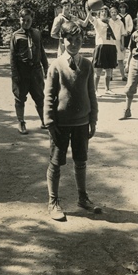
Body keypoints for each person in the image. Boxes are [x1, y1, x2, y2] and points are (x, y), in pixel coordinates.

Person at [43, 21, 101, 220]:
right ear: (63, 40)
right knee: (56, 163)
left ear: (83, 41)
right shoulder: (56, 66)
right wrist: (49, 121)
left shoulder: (86, 64)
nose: (74, 44)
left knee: (81, 161)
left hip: (81, 123)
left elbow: (91, 93)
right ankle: (53, 201)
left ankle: (82, 198)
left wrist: (93, 118)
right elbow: (49, 95)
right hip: (60, 124)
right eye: (70, 40)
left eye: (78, 40)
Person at [10, 8, 49, 134]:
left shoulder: (37, 33)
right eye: (23, 20)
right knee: (20, 97)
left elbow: (41, 51)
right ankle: (21, 122)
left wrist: (46, 67)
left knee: (39, 96)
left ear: (32, 20)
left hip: (36, 71)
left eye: (28, 20)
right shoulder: (16, 36)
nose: (26, 22)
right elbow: (12, 56)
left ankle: (44, 120)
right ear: (19, 20)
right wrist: (15, 74)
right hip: (22, 71)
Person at [78, 4, 118, 95]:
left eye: (105, 11)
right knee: (98, 70)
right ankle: (95, 90)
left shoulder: (111, 21)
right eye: (102, 11)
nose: (104, 13)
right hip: (101, 46)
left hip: (111, 46)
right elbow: (91, 19)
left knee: (109, 70)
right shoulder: (97, 21)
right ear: (99, 13)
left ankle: (107, 89)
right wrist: (88, 11)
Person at [108, 6, 127, 81]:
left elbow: (122, 34)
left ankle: (123, 76)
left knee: (120, 60)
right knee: (111, 60)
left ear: (117, 13)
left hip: (118, 42)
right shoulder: (108, 22)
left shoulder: (120, 22)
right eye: (112, 12)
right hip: (110, 42)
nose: (113, 14)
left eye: (115, 12)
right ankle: (110, 76)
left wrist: (122, 44)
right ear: (110, 13)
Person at [119, 3, 134, 74]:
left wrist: (128, 31)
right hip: (120, 35)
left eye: (124, 8)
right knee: (121, 49)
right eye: (121, 8)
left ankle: (127, 64)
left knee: (127, 49)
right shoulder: (117, 16)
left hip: (127, 35)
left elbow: (131, 25)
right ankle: (121, 62)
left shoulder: (128, 16)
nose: (122, 9)